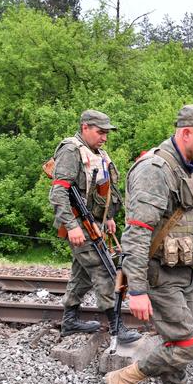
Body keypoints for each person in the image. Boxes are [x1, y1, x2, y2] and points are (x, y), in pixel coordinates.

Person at [105, 104, 193, 384]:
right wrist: (137, 289)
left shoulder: (188, 168)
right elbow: (136, 233)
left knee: (176, 341)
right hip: (159, 275)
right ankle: (126, 378)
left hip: (183, 272)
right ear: (186, 133)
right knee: (188, 344)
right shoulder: (155, 170)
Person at [49, 109, 140, 343]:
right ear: (85, 128)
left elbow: (104, 190)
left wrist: (108, 217)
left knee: (82, 273)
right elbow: (59, 192)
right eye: (100, 132)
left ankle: (69, 321)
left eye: (106, 133)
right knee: (104, 269)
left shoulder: (98, 153)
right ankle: (116, 327)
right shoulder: (71, 151)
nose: (104, 138)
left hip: (94, 222)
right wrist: (71, 226)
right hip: (79, 223)